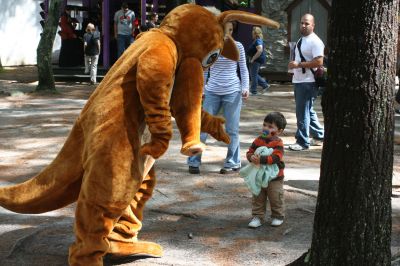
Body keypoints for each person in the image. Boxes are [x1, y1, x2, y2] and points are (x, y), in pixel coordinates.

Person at [187, 21, 249, 174]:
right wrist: (201, 89)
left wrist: (245, 87)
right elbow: (204, 70)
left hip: (232, 91)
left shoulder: (238, 46)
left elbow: (243, 68)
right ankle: (193, 161)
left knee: (231, 130)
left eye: (229, 29)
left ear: (232, 30)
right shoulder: (210, 46)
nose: (226, 32)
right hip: (212, 91)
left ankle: (232, 162)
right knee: (203, 127)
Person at [242, 112, 286, 228]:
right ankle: (257, 216)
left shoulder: (278, 143)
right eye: (265, 125)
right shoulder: (258, 140)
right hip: (259, 175)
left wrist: (261, 159)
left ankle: (277, 216)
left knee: (275, 197)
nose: (266, 128)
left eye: (270, 127)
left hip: (275, 177)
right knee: (258, 196)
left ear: (279, 131)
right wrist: (251, 157)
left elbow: (277, 157)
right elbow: (250, 152)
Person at [288, 13, 325, 151]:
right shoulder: (302, 39)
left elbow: (319, 61)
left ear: (313, 25)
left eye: (307, 23)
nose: (303, 25)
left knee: (302, 112)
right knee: (308, 111)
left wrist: (298, 65)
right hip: (300, 80)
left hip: (308, 82)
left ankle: (302, 142)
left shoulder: (315, 41)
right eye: (302, 23)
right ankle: (320, 135)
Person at [247, 26, 270, 95]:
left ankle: (253, 91)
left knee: (253, 75)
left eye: (253, 33)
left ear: (255, 34)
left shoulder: (258, 40)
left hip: (256, 60)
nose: (252, 34)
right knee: (254, 74)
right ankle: (265, 85)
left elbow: (260, 50)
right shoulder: (257, 40)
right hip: (256, 60)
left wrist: (253, 59)